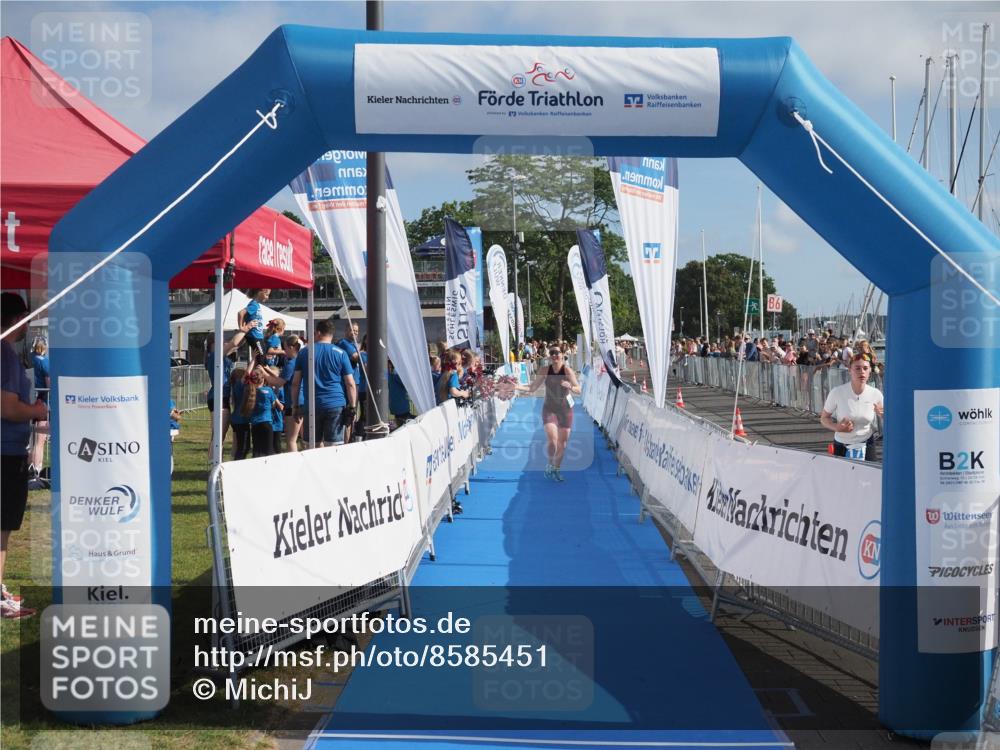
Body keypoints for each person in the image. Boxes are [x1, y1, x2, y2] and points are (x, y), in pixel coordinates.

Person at [1, 293, 47, 618]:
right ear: (21, 318)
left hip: (8, 452)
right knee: (2, 527)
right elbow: (7, 407)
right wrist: (36, 410)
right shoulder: (4, 354)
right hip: (5, 453)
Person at [267, 319, 356, 447]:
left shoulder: (304, 353)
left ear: (318, 333)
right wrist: (352, 407)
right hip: (335, 404)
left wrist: (295, 406)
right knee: (334, 447)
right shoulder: (341, 353)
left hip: (312, 405)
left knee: (312, 446)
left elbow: (295, 383)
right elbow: (350, 384)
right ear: (331, 334)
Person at [518, 347, 581, 482]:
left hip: (565, 410)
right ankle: (550, 463)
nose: (554, 355)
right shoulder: (545, 370)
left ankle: (556, 469)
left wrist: (569, 386)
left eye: (557, 353)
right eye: (551, 353)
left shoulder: (567, 371)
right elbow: (532, 388)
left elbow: (579, 389)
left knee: (562, 444)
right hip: (549, 409)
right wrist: (516, 386)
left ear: (562, 355)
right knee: (552, 440)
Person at [820, 353, 884, 462]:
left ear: (870, 371)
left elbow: (888, 418)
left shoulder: (876, 394)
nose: (862, 372)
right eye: (857, 368)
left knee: (869, 477)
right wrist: (837, 427)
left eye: (865, 368)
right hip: (842, 444)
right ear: (850, 370)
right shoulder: (837, 392)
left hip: (866, 443)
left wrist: (883, 415)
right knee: (842, 478)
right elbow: (824, 418)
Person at [28, 337, 50, 478]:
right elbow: (49, 384)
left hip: (29, 399)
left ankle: (30, 466)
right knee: (39, 440)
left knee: (31, 438)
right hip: (42, 402)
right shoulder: (44, 361)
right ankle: (36, 469)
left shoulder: (30, 359)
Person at [281, 335, 305, 452]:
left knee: (291, 440)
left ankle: (293, 466)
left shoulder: (291, 364)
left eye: (285, 348)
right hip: (304, 401)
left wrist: (263, 373)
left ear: (291, 347)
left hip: (293, 403)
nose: (284, 351)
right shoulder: (302, 360)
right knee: (305, 439)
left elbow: (279, 382)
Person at [237, 288, 271, 366]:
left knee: (262, 356)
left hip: (258, 336)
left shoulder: (256, 305)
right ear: (260, 292)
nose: (267, 297)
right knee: (261, 358)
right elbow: (241, 313)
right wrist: (242, 327)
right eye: (266, 295)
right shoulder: (254, 304)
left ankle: (258, 375)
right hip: (254, 335)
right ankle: (259, 377)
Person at [387, 359, 413, 428]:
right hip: (401, 406)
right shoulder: (395, 374)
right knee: (403, 423)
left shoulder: (389, 375)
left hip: (395, 405)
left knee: (399, 422)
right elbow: (406, 383)